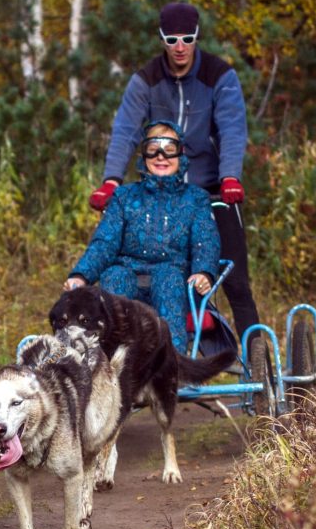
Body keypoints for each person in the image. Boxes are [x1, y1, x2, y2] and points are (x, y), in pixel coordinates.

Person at [88, 2, 260, 338]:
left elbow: (232, 129)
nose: (179, 47)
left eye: (187, 38)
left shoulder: (219, 76)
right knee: (148, 278)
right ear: (161, 39)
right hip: (159, 194)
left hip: (212, 192)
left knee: (236, 282)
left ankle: (260, 365)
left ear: (197, 36)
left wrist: (230, 177)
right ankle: (146, 362)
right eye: (171, 40)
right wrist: (111, 180)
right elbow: (126, 130)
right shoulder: (146, 80)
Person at [64, 120, 219, 354]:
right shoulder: (124, 196)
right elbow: (105, 242)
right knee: (114, 277)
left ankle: (172, 364)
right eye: (152, 150)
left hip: (173, 274)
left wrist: (203, 271)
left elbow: (205, 240)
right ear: (144, 156)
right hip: (128, 271)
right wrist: (81, 275)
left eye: (169, 151)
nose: (160, 157)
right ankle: (115, 363)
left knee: (168, 280)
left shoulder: (195, 198)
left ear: (180, 154)